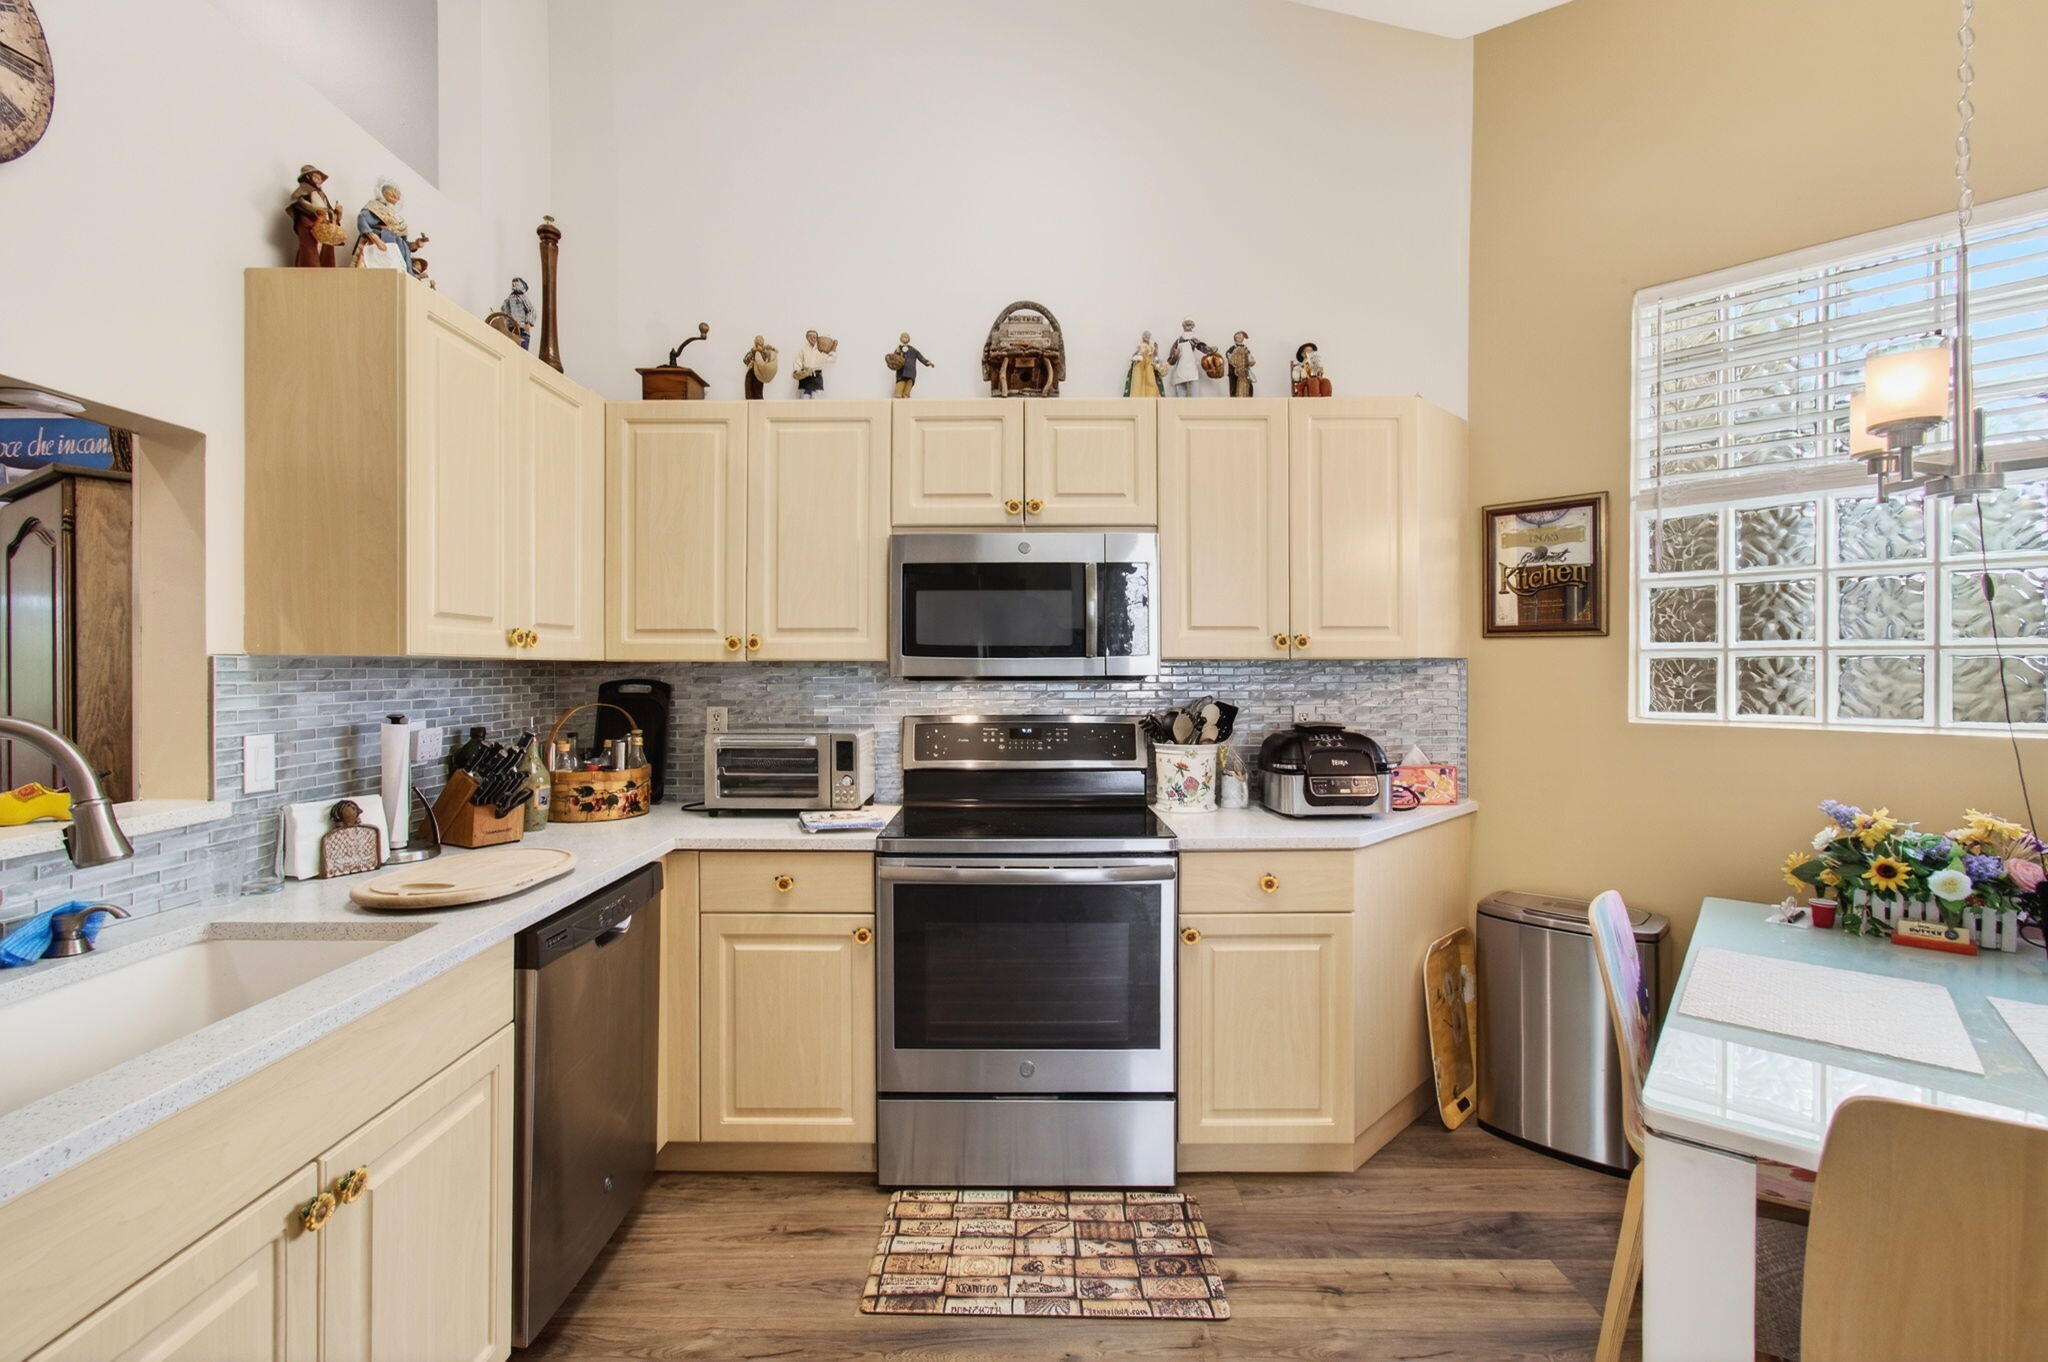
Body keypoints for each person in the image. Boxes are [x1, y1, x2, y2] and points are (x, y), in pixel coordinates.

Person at [353, 180, 425, 271]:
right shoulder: (375, 207)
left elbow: (402, 243)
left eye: (396, 193)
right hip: (378, 244)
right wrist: (375, 238)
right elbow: (362, 219)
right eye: (392, 192)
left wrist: (416, 245)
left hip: (393, 254)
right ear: (383, 193)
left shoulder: (396, 217)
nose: (395, 195)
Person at [285, 164, 341, 268]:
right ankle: (310, 269)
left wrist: (336, 212)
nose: (319, 180)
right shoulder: (304, 189)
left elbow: (327, 208)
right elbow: (299, 201)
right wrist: (314, 209)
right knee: (309, 248)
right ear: (308, 177)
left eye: (320, 178)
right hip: (309, 222)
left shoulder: (321, 194)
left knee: (325, 247)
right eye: (316, 177)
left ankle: (326, 269)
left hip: (324, 224)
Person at [1166, 319, 1214, 398]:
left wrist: (1211, 350)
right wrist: (1175, 355)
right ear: (1183, 325)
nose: (1188, 324)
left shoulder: (1194, 340)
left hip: (1192, 369)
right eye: (1187, 323)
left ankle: (1194, 406)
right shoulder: (1178, 341)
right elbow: (1171, 361)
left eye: (1190, 323)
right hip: (1181, 370)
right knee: (1180, 396)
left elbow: (1202, 347)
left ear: (1193, 326)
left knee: (1195, 395)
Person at [794, 329, 836, 398]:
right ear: (807, 338)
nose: (812, 338)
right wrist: (797, 371)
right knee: (804, 397)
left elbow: (832, 359)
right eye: (810, 336)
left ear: (817, 338)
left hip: (817, 377)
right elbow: (798, 361)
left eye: (814, 337)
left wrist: (833, 349)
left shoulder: (821, 350)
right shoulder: (803, 350)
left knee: (816, 398)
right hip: (805, 376)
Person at [890, 332, 934, 397]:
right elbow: (894, 358)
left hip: (911, 371)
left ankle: (906, 395)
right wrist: (897, 353)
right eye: (903, 337)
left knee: (909, 383)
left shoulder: (913, 349)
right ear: (901, 338)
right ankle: (898, 394)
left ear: (909, 339)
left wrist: (927, 362)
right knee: (901, 382)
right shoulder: (898, 349)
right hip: (901, 371)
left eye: (906, 337)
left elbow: (920, 357)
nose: (905, 338)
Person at [499, 278, 536, 349]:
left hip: (521, 328)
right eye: (513, 282)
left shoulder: (522, 297)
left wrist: (527, 324)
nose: (514, 284)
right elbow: (504, 310)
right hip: (511, 328)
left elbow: (531, 310)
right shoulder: (509, 299)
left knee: (522, 347)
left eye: (516, 282)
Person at [1125, 331, 1163, 397]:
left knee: (1151, 383)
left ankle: (1151, 397)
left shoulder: (1151, 348)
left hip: (1149, 368)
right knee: (1138, 383)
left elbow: (1154, 358)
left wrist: (1155, 352)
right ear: (1142, 337)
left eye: (1148, 336)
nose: (1146, 337)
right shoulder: (1140, 347)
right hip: (1140, 368)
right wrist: (1137, 356)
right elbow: (1135, 355)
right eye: (1145, 335)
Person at [743, 335, 778, 400]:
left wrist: (768, 350)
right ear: (755, 343)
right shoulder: (752, 351)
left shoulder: (763, 352)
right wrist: (751, 361)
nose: (760, 344)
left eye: (761, 343)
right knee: (749, 394)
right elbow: (745, 360)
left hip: (758, 374)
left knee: (758, 394)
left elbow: (765, 362)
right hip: (751, 373)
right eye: (758, 342)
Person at [1226, 331, 1256, 397]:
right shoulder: (1232, 348)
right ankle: (1234, 401)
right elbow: (1229, 357)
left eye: (1242, 336)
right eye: (1239, 336)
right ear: (1236, 338)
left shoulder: (1245, 348)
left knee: (1248, 388)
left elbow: (1249, 357)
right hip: (1234, 372)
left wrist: (1251, 361)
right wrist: (1236, 363)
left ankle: (1247, 399)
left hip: (1244, 372)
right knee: (1234, 388)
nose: (1241, 337)